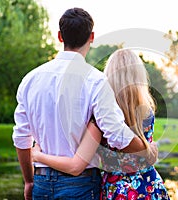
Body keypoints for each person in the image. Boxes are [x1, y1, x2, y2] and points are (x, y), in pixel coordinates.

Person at [12, 8, 157, 200]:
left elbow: (22, 137)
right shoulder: (96, 81)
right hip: (81, 184)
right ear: (92, 37)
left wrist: (29, 181)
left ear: (59, 36)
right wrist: (147, 149)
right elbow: (116, 135)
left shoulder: (30, 80)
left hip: (42, 183)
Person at [32, 49, 170, 199]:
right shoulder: (147, 112)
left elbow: (76, 165)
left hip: (118, 191)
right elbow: (147, 153)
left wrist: (38, 156)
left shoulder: (102, 118)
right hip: (149, 187)